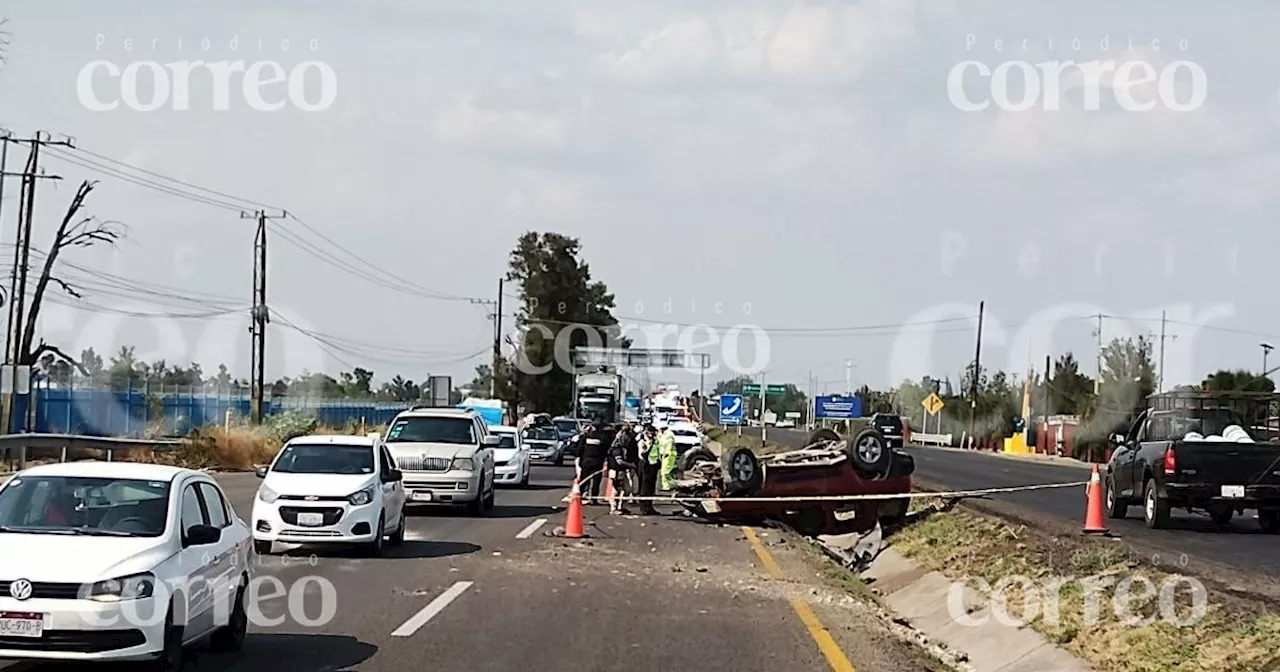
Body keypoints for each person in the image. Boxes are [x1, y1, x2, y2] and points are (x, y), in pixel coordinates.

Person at [606, 424, 637, 514]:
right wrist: (631, 465)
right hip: (615, 471)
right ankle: (614, 508)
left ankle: (621, 506)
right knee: (616, 490)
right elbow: (619, 461)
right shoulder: (616, 448)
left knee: (627, 489)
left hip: (622, 471)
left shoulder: (625, 448)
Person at [576, 423, 608, 503]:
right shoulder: (602, 438)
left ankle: (580, 496)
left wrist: (580, 457)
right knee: (596, 481)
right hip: (597, 461)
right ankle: (594, 498)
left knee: (585, 479)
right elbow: (605, 450)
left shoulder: (585, 437)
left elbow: (579, 450)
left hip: (586, 461)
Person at [636, 425, 660, 515]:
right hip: (645, 465)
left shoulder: (655, 442)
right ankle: (644, 507)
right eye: (650, 432)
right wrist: (649, 444)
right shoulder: (642, 442)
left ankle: (650, 506)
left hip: (653, 465)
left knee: (651, 487)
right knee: (644, 487)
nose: (653, 434)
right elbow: (643, 454)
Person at [656, 423, 679, 491]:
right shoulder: (662, 435)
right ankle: (667, 485)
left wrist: (666, 454)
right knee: (664, 471)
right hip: (665, 455)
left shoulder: (668, 435)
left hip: (668, 455)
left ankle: (668, 485)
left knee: (665, 472)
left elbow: (669, 445)